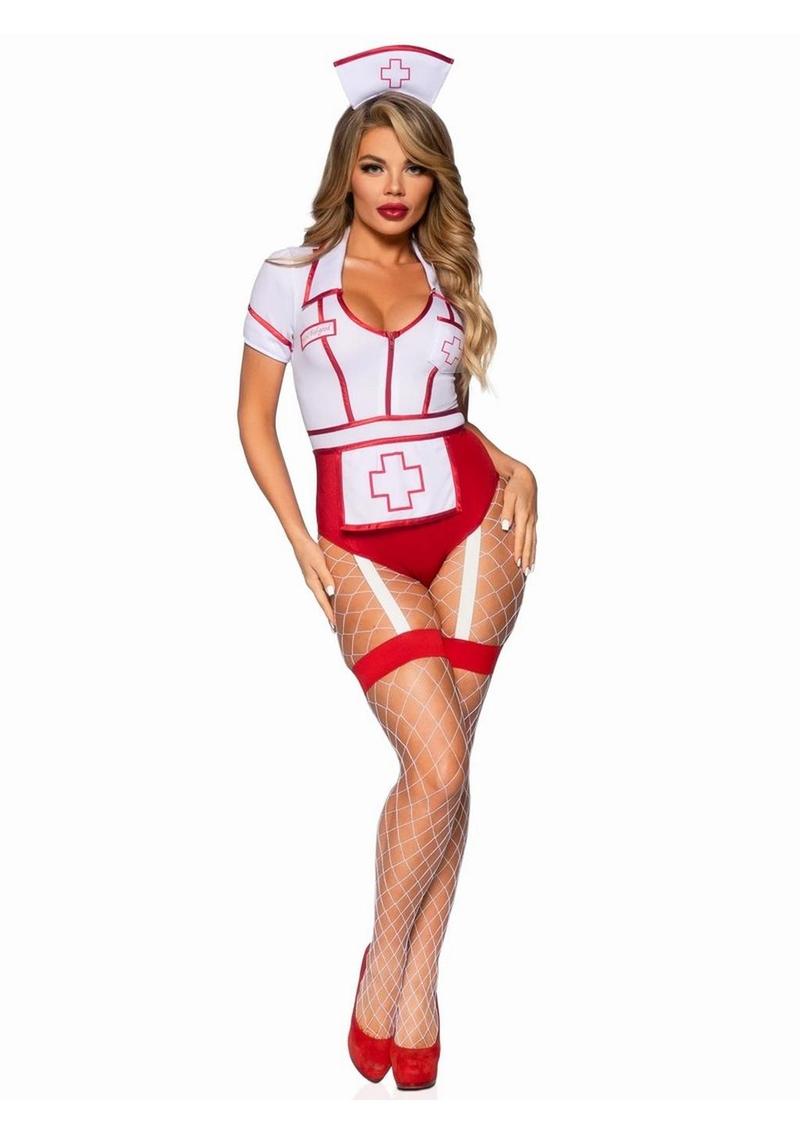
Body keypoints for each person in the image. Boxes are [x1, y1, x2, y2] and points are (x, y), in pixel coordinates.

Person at [237, 43, 538, 1090]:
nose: (395, 186)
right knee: (437, 764)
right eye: (374, 165)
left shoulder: (443, 276)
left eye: (413, 167)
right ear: (346, 172)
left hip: (472, 526)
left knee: (451, 763)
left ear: (434, 177)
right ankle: (383, 953)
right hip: (356, 542)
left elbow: (441, 419)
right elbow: (254, 420)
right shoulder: (290, 278)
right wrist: (299, 541)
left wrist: (516, 465)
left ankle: (417, 977)